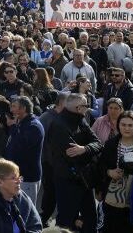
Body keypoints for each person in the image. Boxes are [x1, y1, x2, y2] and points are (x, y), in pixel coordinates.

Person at [45, 93, 103, 232]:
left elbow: (98, 143)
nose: (88, 109)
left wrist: (85, 149)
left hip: (84, 179)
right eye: (86, 106)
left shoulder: (81, 120)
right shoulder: (58, 125)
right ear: (78, 108)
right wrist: (88, 152)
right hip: (67, 180)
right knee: (66, 220)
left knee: (90, 218)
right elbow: (72, 155)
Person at [96, 110, 133, 233]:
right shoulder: (111, 144)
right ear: (118, 126)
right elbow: (100, 165)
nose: (126, 128)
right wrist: (109, 172)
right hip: (111, 194)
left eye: (130, 125)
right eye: (123, 125)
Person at [3, 95, 44, 209]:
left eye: (14, 107)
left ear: (24, 109)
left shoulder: (33, 127)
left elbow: (20, 148)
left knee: (26, 210)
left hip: (27, 177)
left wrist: (13, 127)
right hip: (18, 174)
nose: (11, 110)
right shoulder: (22, 123)